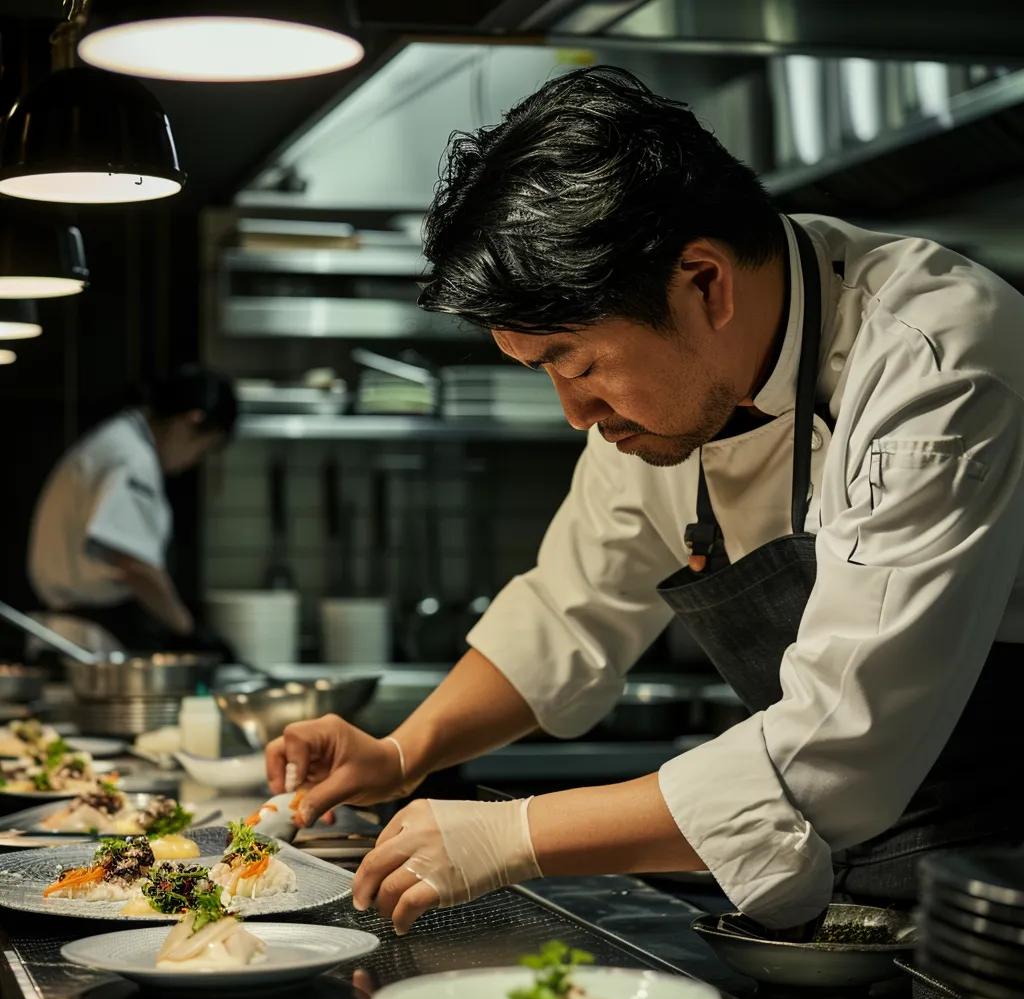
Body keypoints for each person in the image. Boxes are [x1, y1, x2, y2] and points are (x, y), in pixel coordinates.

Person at [267, 67, 1024, 936]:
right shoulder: (671, 395)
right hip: (851, 900)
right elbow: (571, 610)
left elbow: (838, 750)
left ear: (704, 283)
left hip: (997, 892)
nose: (576, 414)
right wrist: (404, 751)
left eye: (578, 364)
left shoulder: (936, 364)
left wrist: (514, 834)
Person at [28, 365, 237, 652]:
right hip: (85, 641)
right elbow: (134, 563)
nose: (193, 462)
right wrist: (188, 630)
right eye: (202, 449)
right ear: (190, 421)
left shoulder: (119, 440)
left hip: (71, 634)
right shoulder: (132, 458)